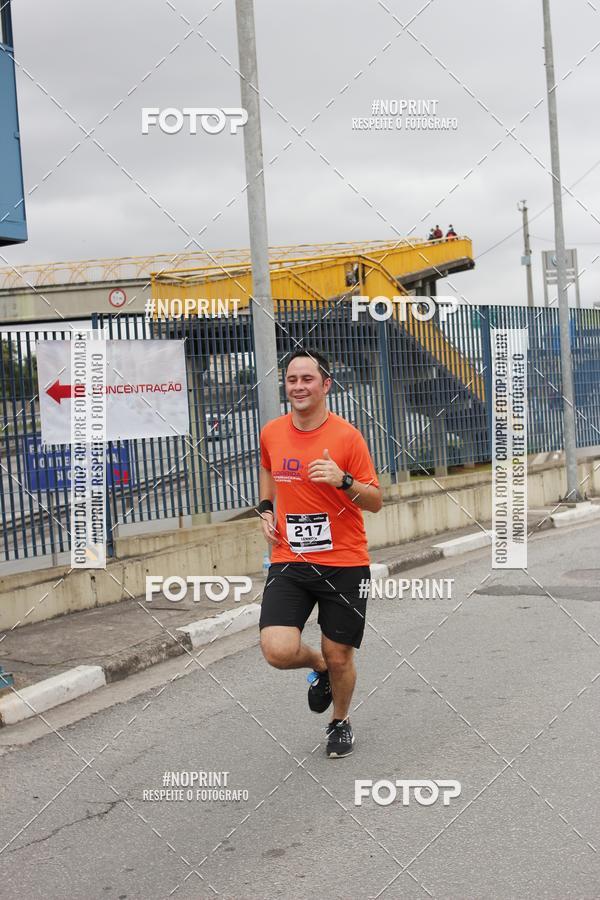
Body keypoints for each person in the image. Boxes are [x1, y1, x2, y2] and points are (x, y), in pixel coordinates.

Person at [257, 349, 383, 758]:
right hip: (289, 559)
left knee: (340, 654)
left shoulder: (347, 437)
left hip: (344, 562)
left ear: (326, 384)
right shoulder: (272, 432)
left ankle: (339, 721)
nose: (298, 387)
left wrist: (342, 480)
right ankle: (318, 665)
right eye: (292, 379)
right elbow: (267, 467)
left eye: (307, 379)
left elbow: (375, 500)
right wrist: (266, 509)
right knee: (277, 650)